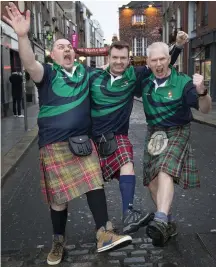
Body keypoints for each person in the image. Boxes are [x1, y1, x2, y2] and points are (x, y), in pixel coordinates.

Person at [3, 3, 132, 266]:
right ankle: (58, 239)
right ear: (52, 54)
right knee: (59, 199)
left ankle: (103, 233)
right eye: (61, 47)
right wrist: (22, 36)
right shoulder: (48, 73)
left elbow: (114, 75)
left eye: (69, 47)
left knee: (94, 183)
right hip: (53, 144)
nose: (67, 49)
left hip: (82, 143)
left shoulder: (86, 74)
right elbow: (29, 63)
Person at [89, 33, 188, 234]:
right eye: (115, 57)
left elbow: (160, 64)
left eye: (123, 58)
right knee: (93, 183)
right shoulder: (93, 76)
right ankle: (103, 225)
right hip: (93, 138)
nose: (119, 61)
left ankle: (128, 214)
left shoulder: (134, 75)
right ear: (109, 57)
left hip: (117, 135)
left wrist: (177, 47)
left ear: (129, 59)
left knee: (127, 164)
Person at [138, 42, 211, 246]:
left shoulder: (183, 82)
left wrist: (202, 91)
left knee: (164, 170)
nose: (159, 63)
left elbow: (205, 109)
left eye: (163, 59)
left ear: (169, 59)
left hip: (178, 129)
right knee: (152, 182)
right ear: (148, 63)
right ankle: (168, 222)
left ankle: (160, 217)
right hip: (153, 132)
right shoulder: (144, 81)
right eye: (154, 60)